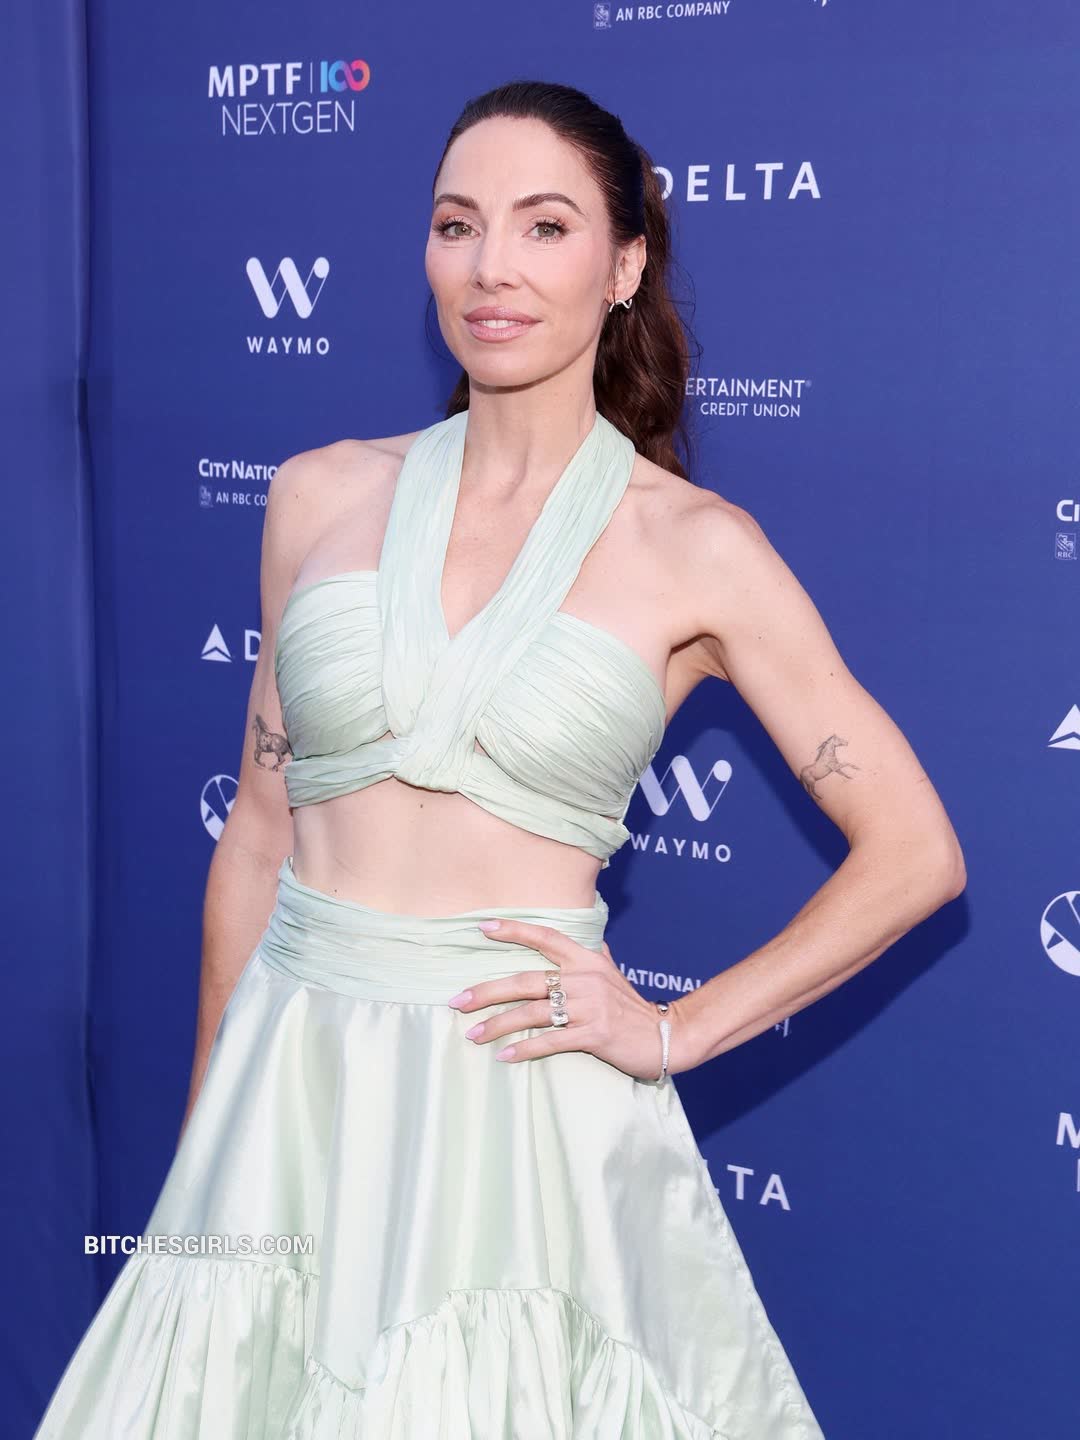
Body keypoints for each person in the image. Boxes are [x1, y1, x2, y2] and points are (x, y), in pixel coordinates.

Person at [32, 79, 965, 1439]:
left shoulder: (695, 548)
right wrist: (205, 1153)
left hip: (516, 1115)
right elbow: (259, 838)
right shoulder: (317, 494)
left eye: (545, 226)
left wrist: (673, 1032)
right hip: (291, 1094)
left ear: (623, 265)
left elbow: (918, 853)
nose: (491, 268)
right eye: (458, 224)